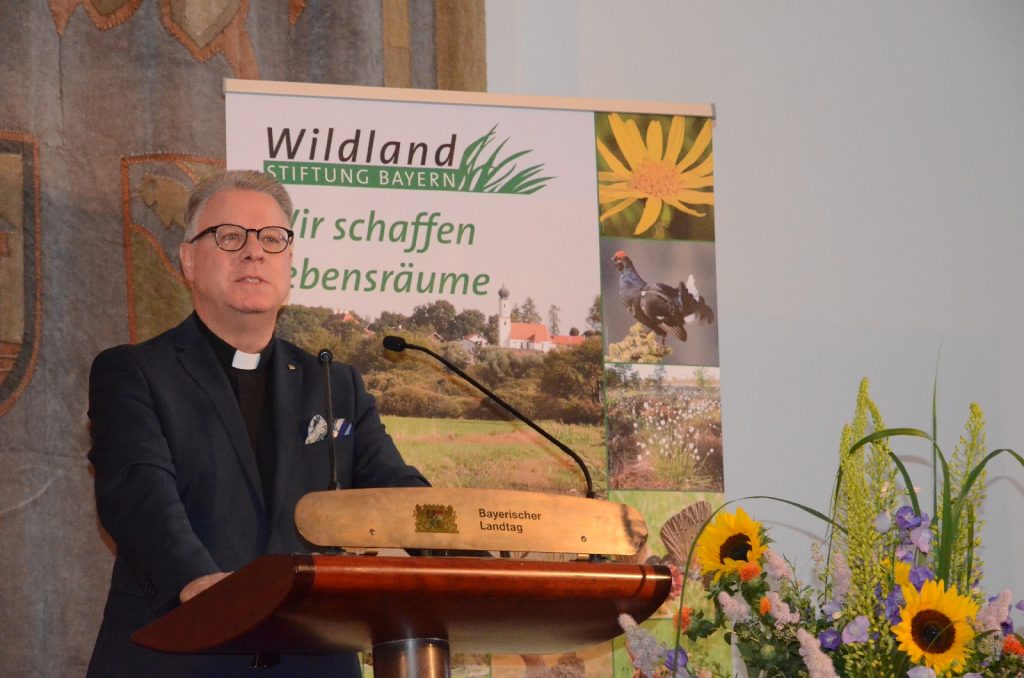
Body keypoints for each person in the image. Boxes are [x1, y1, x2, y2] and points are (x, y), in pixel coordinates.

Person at [86, 170, 428, 676]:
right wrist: (199, 584)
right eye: (229, 237)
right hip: (180, 650)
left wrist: (474, 545)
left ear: (290, 262)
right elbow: (139, 493)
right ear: (188, 260)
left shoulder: (335, 384)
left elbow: (397, 494)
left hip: (311, 658)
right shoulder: (132, 372)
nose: (254, 252)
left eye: (272, 239)